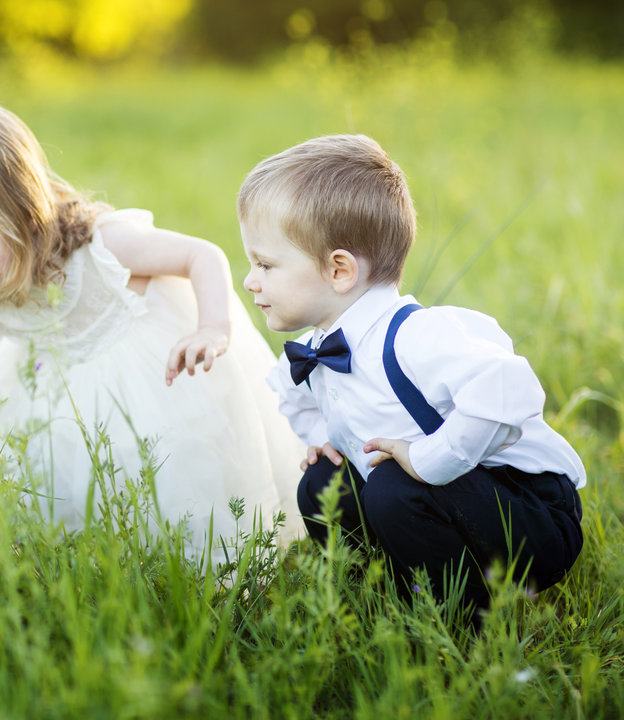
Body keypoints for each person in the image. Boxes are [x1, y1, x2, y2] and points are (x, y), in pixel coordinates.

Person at [0, 101, 305, 565]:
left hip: (151, 386)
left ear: (20, 211)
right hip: (55, 406)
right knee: (51, 485)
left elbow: (202, 256)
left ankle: (197, 571)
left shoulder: (99, 248)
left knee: (170, 480)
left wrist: (212, 328)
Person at [236, 133, 585, 615]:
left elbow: (509, 390)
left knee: (395, 487)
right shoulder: (316, 348)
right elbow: (293, 395)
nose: (250, 280)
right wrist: (321, 436)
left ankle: (459, 622)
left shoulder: (416, 337)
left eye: (265, 264)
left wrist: (429, 458)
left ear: (339, 270)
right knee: (322, 483)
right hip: (438, 505)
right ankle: (385, 595)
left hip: (528, 517)